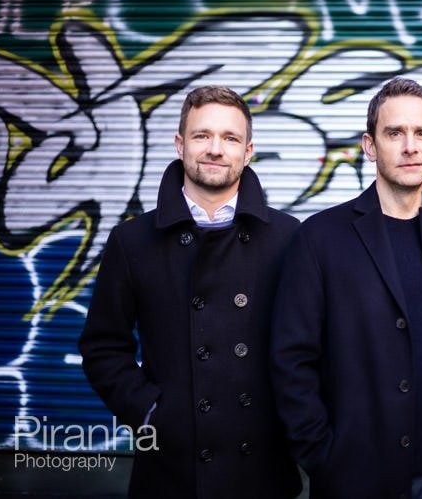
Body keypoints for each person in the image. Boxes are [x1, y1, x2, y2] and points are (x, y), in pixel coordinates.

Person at [270, 77, 422, 499]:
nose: (409, 146)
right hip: (358, 479)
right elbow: (292, 360)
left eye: (421, 133)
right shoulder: (320, 239)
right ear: (369, 144)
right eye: (394, 133)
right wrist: (323, 458)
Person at [79, 85, 302, 499]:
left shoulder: (289, 237)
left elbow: (309, 347)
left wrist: (293, 422)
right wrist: (150, 413)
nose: (215, 149)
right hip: (171, 469)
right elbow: (102, 347)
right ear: (180, 145)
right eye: (202, 136)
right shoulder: (132, 241)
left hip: (262, 469)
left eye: (230, 138)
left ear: (248, 151)